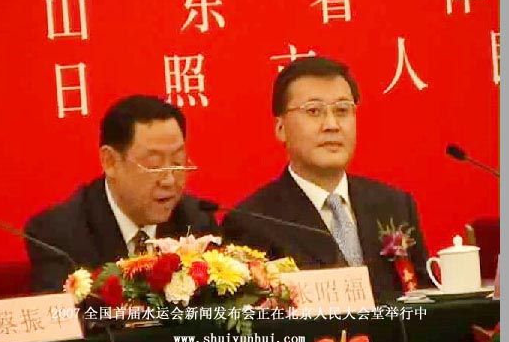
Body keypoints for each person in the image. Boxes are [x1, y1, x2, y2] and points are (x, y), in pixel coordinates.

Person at [222, 57, 429, 297]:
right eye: (314, 111)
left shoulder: (395, 206)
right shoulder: (251, 222)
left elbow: (424, 299)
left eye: (342, 110)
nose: (332, 124)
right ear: (280, 128)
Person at [25, 95, 217, 292]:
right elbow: (64, 309)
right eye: (154, 165)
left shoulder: (196, 221)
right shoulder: (58, 235)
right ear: (110, 162)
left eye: (177, 162)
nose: (169, 180)